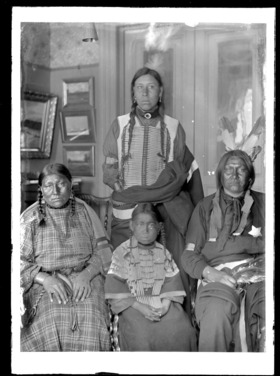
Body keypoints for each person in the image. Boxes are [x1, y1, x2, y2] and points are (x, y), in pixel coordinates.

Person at [103, 66, 204, 316]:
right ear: (133, 93)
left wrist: (155, 197)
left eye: (151, 87)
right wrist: (127, 193)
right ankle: (134, 323)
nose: (145, 93)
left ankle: (170, 322)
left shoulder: (173, 126)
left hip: (165, 211)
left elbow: (182, 169)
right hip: (127, 212)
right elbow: (109, 168)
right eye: (140, 87)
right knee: (128, 271)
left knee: (167, 272)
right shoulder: (119, 125)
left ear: (160, 93)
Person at [20, 163, 112, 351]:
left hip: (86, 277)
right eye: (48, 185)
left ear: (71, 186)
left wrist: (86, 275)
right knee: (50, 315)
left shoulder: (85, 211)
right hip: (45, 282)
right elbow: (19, 262)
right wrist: (45, 279)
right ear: (40, 190)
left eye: (61, 184)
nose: (55, 191)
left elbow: (102, 252)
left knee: (91, 312)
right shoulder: (30, 218)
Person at [181, 149, 265, 352]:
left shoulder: (264, 203)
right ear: (220, 175)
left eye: (241, 170)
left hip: (260, 273)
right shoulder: (205, 207)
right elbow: (189, 255)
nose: (234, 175)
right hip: (217, 275)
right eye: (228, 170)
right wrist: (212, 274)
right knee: (216, 314)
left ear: (250, 176)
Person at [105, 203, 198, 351]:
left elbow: (171, 282)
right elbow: (115, 286)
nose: (146, 230)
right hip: (133, 304)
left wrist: (165, 307)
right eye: (140, 224)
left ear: (159, 227)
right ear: (131, 226)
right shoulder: (121, 253)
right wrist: (141, 307)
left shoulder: (163, 252)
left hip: (161, 302)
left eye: (151, 225)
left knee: (182, 328)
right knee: (142, 334)